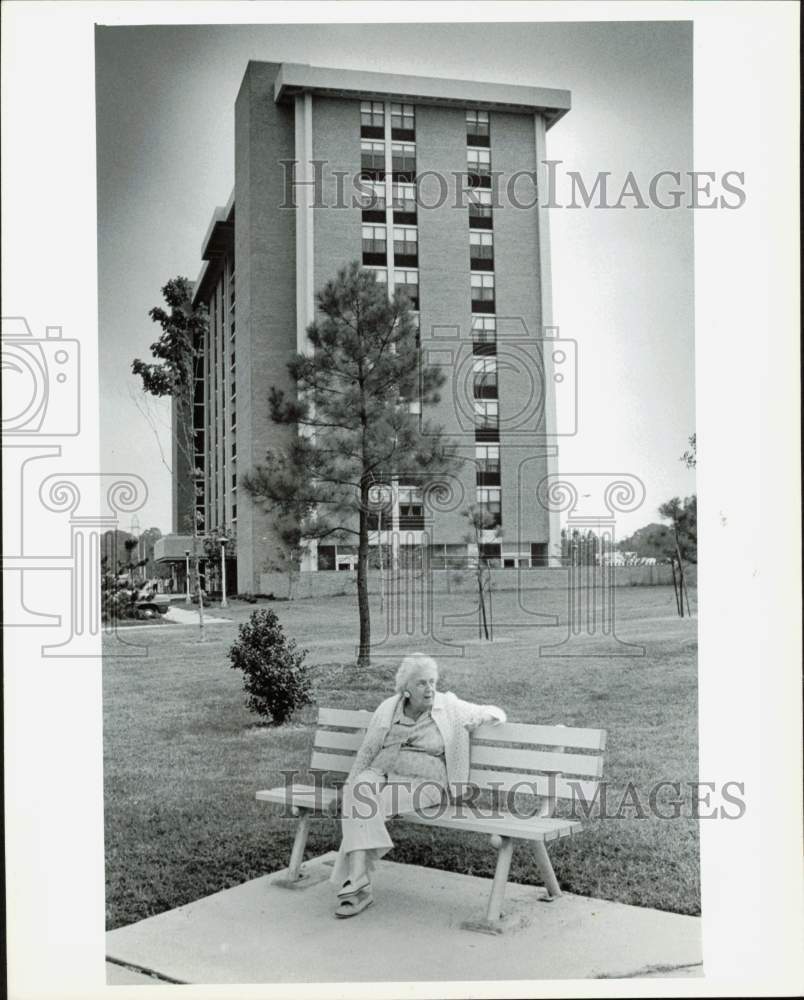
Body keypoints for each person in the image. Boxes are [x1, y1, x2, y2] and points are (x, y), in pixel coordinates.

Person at [330, 652, 506, 918]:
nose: (430, 689)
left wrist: (484, 718)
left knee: (364, 806)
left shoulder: (448, 706)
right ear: (407, 689)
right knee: (357, 793)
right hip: (381, 771)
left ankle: (356, 883)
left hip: (424, 784)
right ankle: (359, 883)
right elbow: (367, 752)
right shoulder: (388, 708)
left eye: (432, 681)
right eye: (422, 683)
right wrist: (348, 786)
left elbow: (494, 712)